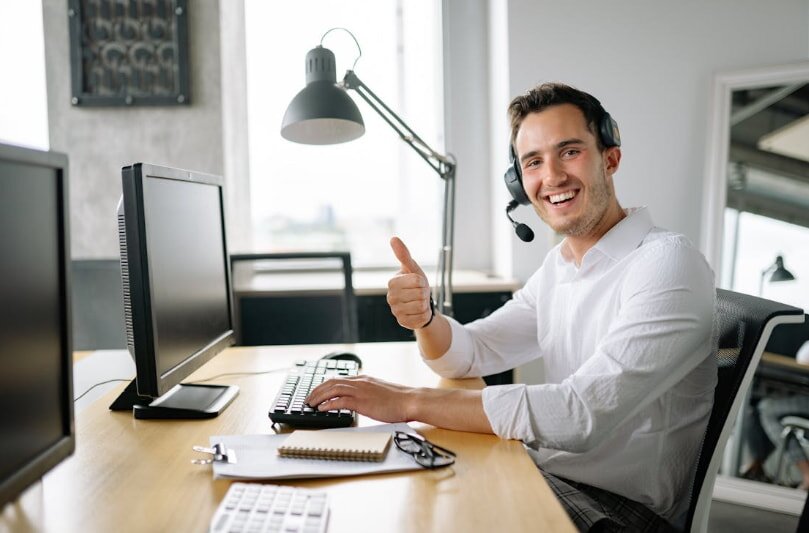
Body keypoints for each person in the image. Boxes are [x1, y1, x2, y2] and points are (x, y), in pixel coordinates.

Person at [306, 83, 717, 532]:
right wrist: (423, 318)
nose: (553, 177)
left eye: (570, 152)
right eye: (533, 162)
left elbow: (580, 415)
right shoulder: (561, 266)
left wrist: (406, 402)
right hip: (553, 473)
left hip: (621, 511)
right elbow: (473, 351)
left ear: (610, 158)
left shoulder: (666, 263)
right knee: (405, 493)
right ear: (519, 182)